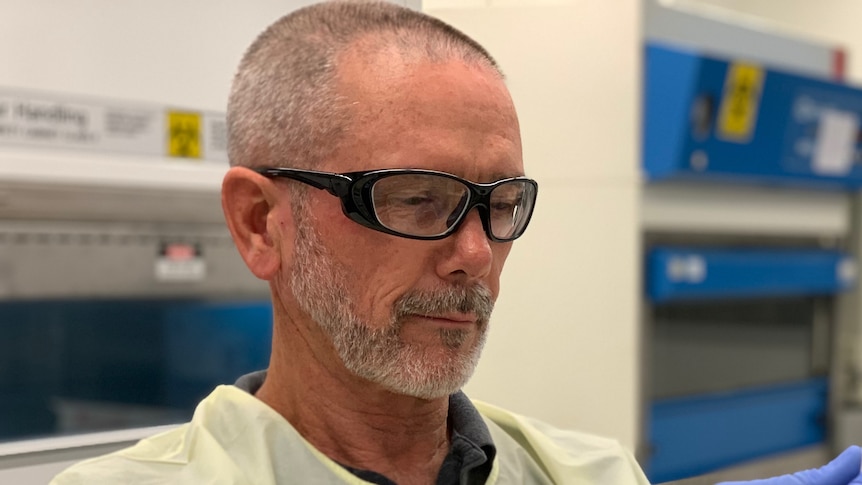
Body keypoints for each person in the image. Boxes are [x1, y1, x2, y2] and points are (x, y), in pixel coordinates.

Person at [51, 2, 862, 484]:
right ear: (261, 224)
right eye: (416, 199)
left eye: (500, 203)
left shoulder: (590, 472)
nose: (474, 253)